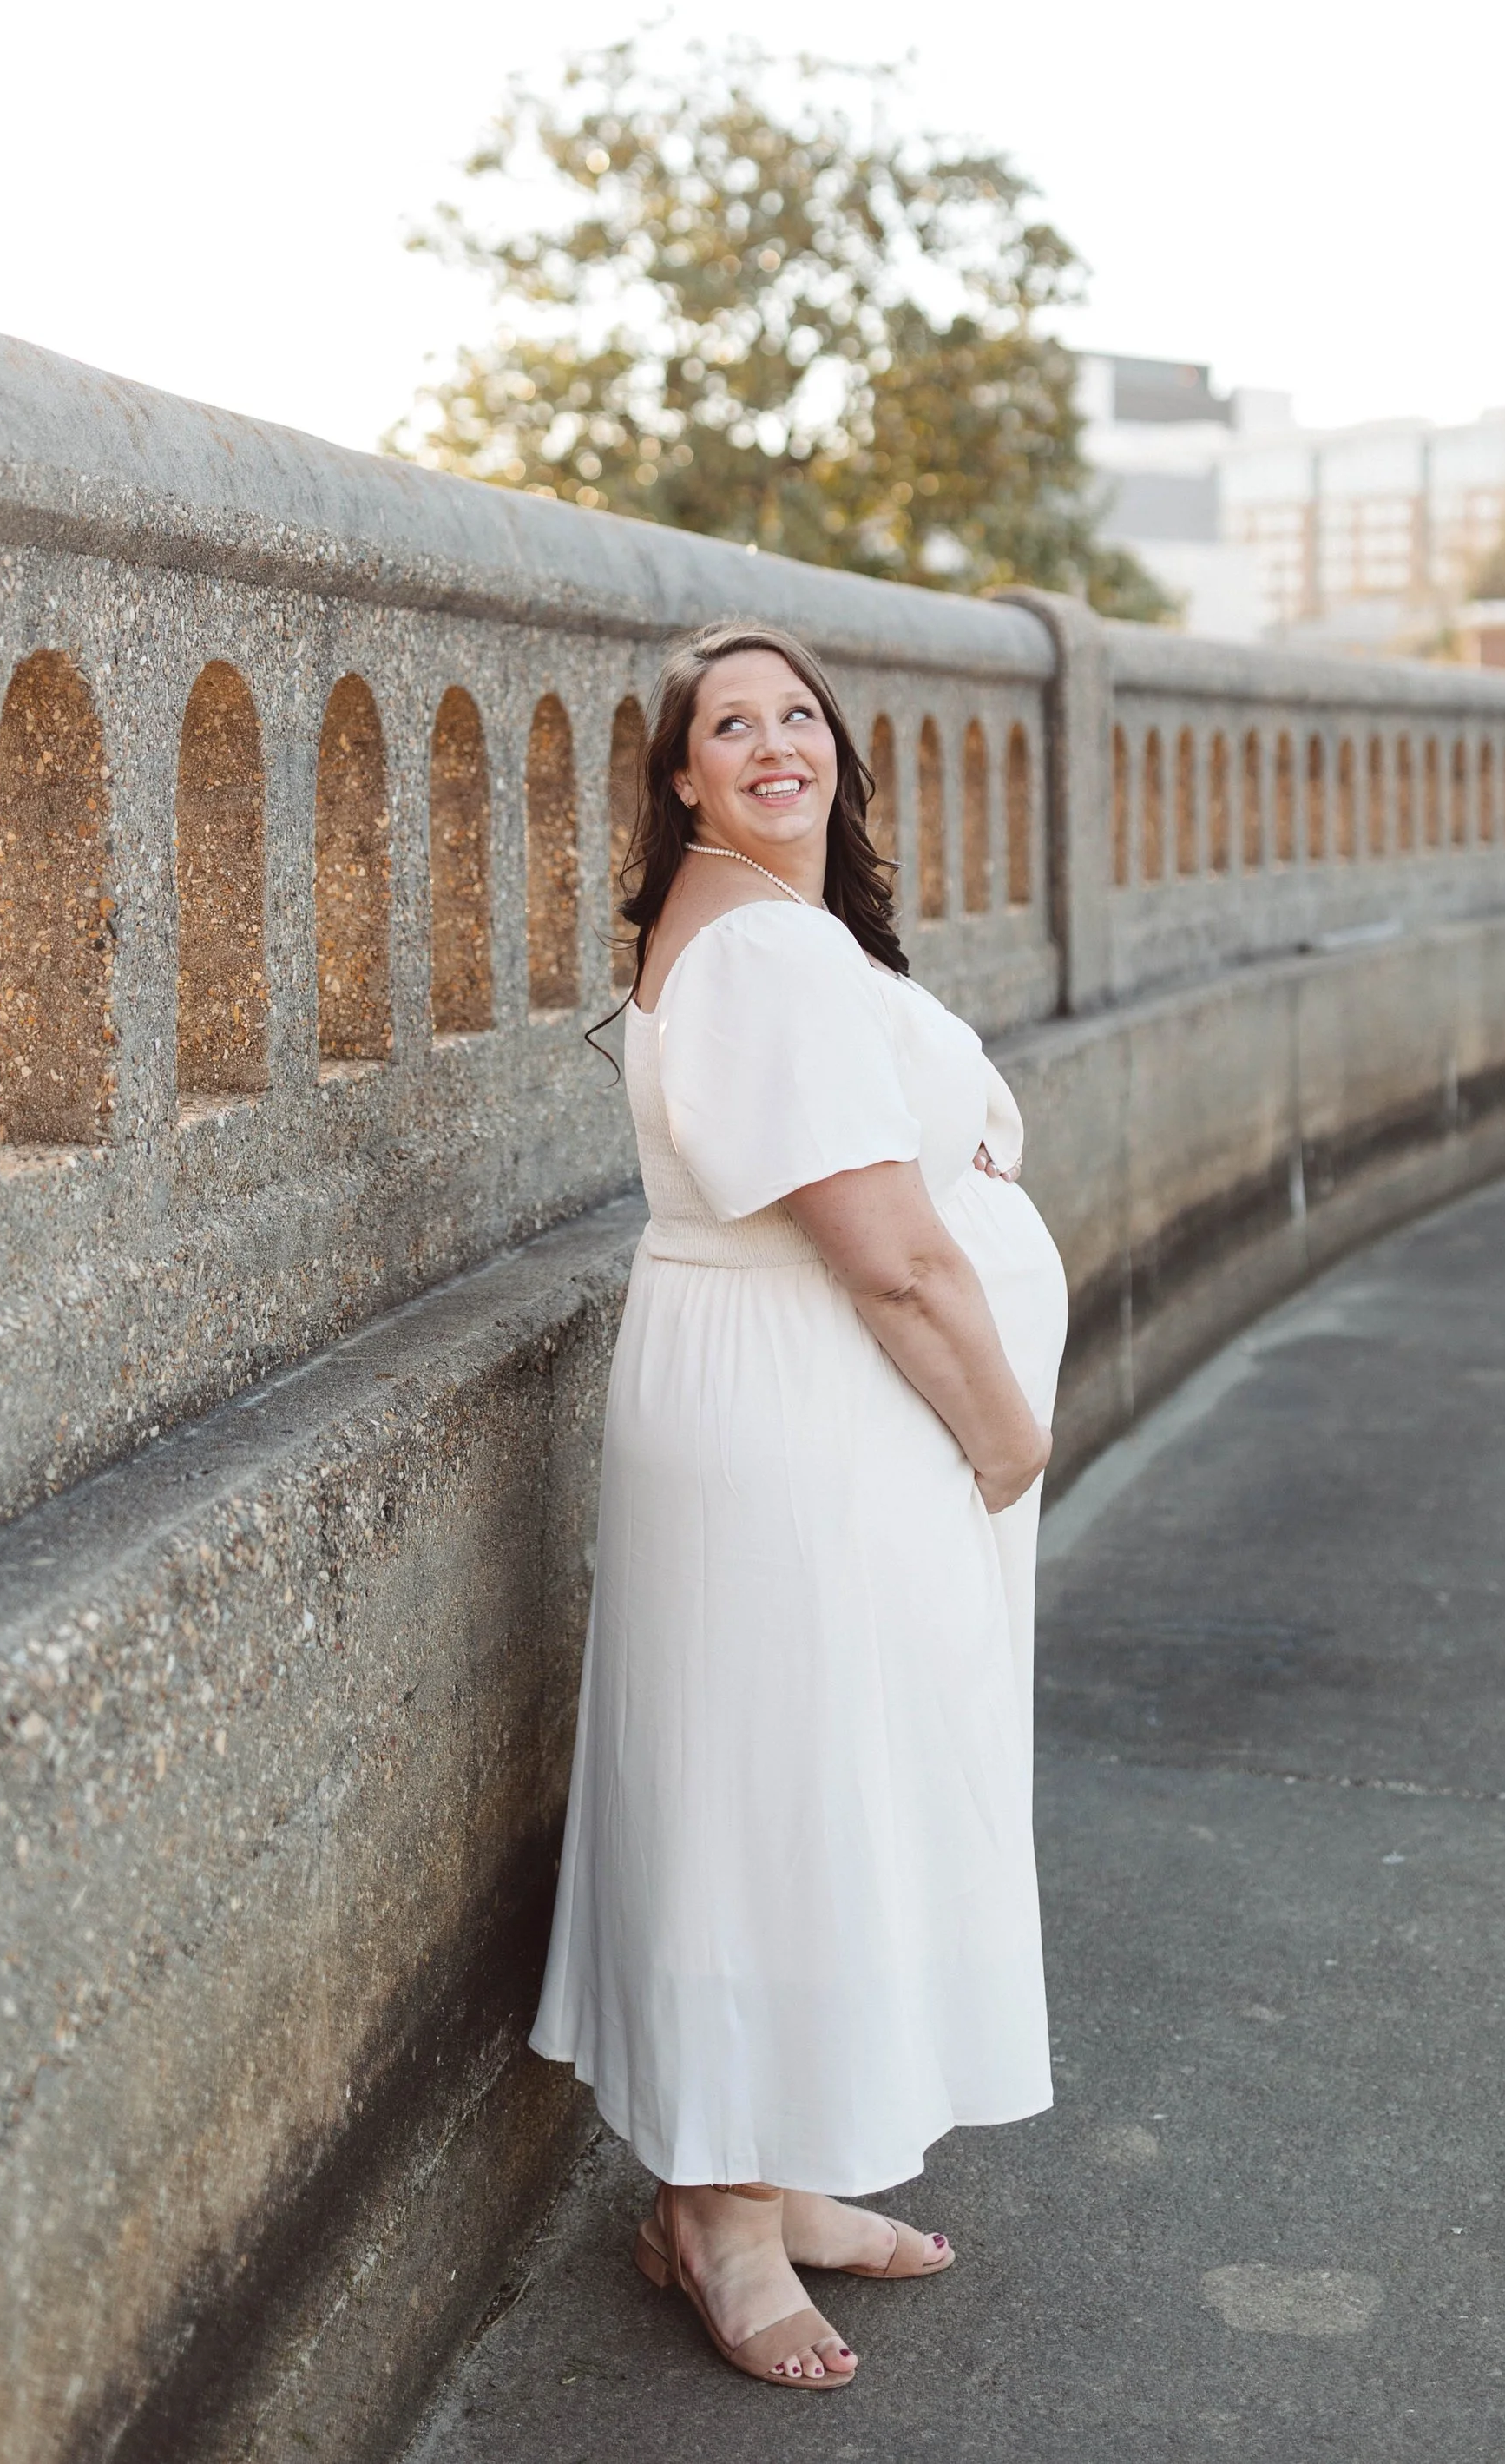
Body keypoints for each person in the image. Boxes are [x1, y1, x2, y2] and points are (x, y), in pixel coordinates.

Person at [530, 621, 1065, 2393]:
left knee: (820, 1789)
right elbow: (889, 1256)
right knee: (771, 1797)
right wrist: (1006, 1439)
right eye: (728, 722)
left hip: (797, 1402)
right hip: (800, 1411)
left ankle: (766, 2176)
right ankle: (718, 2221)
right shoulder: (757, 953)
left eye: (798, 712)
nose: (774, 740)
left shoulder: (781, 931)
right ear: (677, 775)